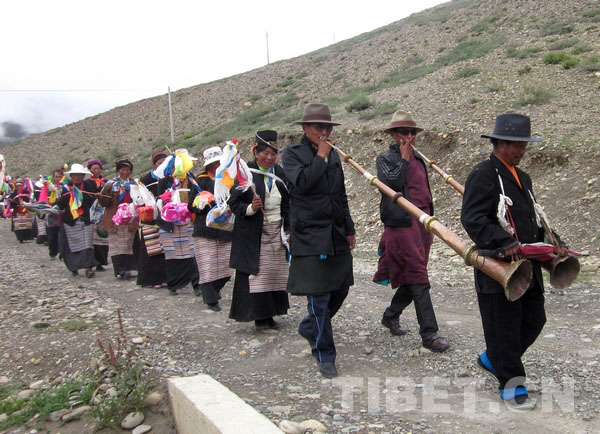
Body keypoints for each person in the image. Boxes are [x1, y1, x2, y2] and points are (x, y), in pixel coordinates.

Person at [461, 113, 568, 410]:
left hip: (526, 266)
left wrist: (554, 242)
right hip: (498, 266)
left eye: (524, 146)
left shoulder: (524, 178)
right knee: (504, 325)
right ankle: (510, 381)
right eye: (516, 146)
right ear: (500, 143)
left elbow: (532, 216)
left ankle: (493, 358)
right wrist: (503, 242)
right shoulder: (483, 174)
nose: (522, 151)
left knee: (535, 318)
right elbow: (471, 219)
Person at [282, 104, 355, 378]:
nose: (324, 132)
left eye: (328, 128)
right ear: (304, 129)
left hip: (335, 234)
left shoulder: (334, 155)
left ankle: (310, 327)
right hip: (310, 235)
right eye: (318, 127)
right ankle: (324, 354)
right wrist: (321, 158)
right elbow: (301, 185)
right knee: (319, 296)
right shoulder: (292, 155)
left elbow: (340, 195)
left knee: (340, 288)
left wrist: (349, 228)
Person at [372, 110, 450, 353]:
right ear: (394, 134)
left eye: (412, 132)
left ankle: (391, 315)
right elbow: (391, 185)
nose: (409, 136)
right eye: (404, 132)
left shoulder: (419, 158)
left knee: (414, 274)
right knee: (418, 276)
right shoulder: (385, 159)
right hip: (402, 224)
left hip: (423, 224)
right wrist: (404, 159)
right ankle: (429, 334)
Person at [228, 131, 290, 328]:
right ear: (255, 151)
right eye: (265, 153)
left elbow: (288, 202)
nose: (270, 158)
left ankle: (272, 312)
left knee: (275, 274)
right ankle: (259, 316)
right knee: (258, 275)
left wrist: (288, 226)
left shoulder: (279, 173)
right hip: (253, 234)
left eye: (273, 154)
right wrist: (250, 208)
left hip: (277, 232)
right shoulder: (246, 173)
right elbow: (233, 202)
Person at [188, 146, 233, 311]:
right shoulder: (200, 181)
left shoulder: (228, 179)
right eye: (215, 162)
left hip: (225, 229)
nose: (218, 164)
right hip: (205, 230)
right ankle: (211, 300)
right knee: (207, 266)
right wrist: (202, 203)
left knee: (226, 268)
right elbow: (191, 206)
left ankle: (215, 289)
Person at [156, 149, 200, 296]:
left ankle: (196, 284)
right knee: (172, 254)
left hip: (188, 221)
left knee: (192, 253)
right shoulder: (165, 181)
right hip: (170, 223)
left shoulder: (192, 179)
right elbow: (160, 200)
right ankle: (173, 284)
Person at [99, 158, 139, 279]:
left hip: (130, 218)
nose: (125, 172)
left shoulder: (135, 184)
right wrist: (102, 197)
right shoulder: (111, 185)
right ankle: (120, 270)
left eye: (128, 170)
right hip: (115, 218)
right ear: (118, 171)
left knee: (128, 244)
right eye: (123, 169)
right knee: (117, 245)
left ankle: (128, 268)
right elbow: (105, 203)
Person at [56, 164, 98, 277]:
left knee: (88, 243)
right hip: (70, 221)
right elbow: (60, 204)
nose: (77, 177)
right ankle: (74, 267)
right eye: (75, 175)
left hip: (86, 219)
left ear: (83, 176)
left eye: (80, 175)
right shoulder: (65, 188)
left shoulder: (89, 187)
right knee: (72, 244)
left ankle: (89, 267)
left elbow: (94, 200)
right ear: (71, 176)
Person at [136, 152, 168, 288]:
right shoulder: (146, 179)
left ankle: (166, 277)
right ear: (154, 165)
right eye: (160, 163)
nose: (162, 165)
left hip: (165, 216)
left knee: (165, 248)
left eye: (165, 162)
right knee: (152, 248)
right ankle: (151, 279)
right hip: (151, 217)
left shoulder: (169, 177)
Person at [86, 159, 109, 271]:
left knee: (103, 237)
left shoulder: (106, 181)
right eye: (94, 168)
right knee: (93, 239)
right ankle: (93, 261)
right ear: (90, 170)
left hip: (104, 212)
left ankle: (101, 262)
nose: (97, 170)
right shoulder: (87, 183)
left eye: (98, 168)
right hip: (92, 213)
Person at [9, 178, 35, 243]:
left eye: (20, 185)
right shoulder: (14, 193)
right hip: (17, 211)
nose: (19, 187)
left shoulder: (25, 192)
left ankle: (27, 237)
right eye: (18, 186)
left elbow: (28, 199)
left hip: (25, 210)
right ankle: (20, 238)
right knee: (19, 226)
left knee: (27, 224)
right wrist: (13, 202)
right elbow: (10, 200)